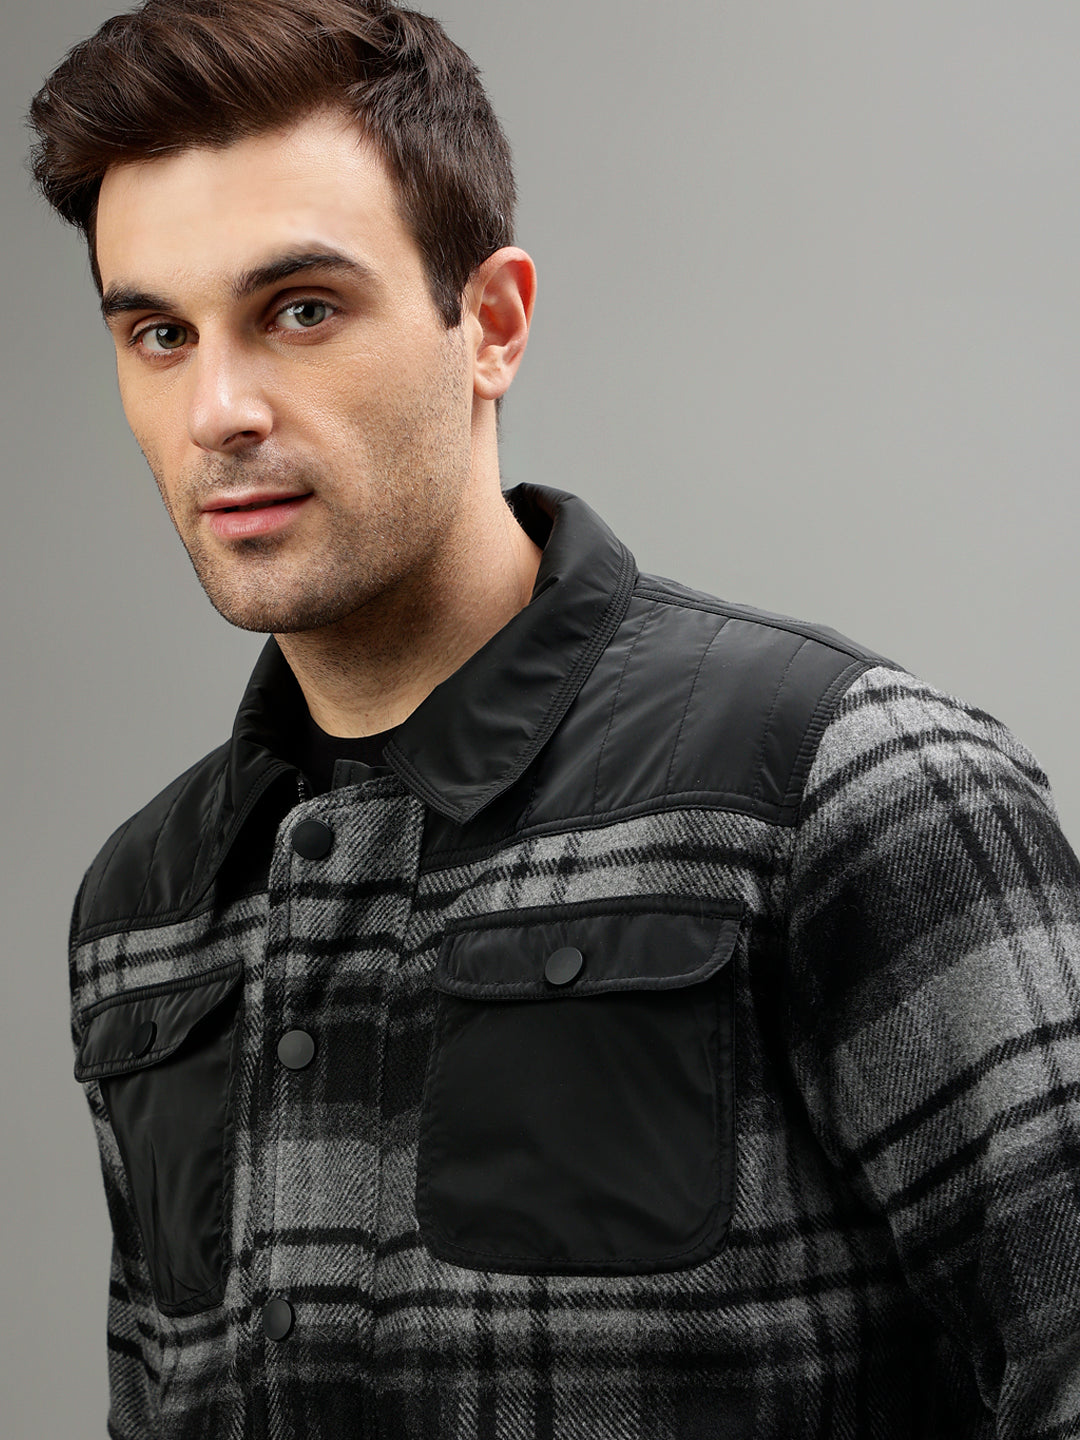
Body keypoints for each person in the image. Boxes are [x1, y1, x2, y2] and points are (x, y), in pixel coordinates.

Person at [25, 1, 1080, 1436]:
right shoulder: (145, 908)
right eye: (159, 332)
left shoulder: (848, 787)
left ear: (493, 324)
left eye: (302, 309)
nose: (218, 409)